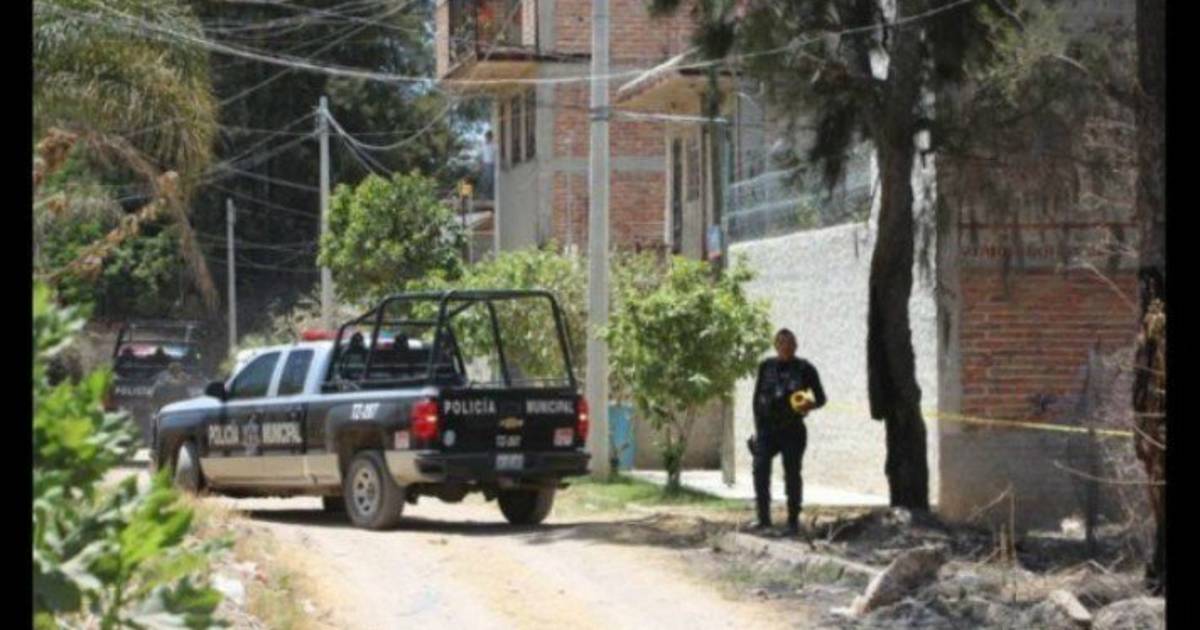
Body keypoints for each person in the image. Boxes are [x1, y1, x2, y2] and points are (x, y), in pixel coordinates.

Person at [750, 328, 826, 535]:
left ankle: (792, 520)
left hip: (792, 429)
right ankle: (763, 519)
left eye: (790, 343)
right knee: (760, 469)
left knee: (792, 473)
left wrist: (807, 404)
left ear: (796, 346)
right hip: (767, 429)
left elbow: (821, 398)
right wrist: (758, 430)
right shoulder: (766, 366)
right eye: (782, 343)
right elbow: (757, 400)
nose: (786, 347)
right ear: (776, 346)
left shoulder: (805, 368)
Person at [479, 130, 497, 199]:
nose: (487, 138)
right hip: (484, 164)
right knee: (484, 180)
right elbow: (482, 155)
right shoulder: (483, 145)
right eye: (486, 137)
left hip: (491, 164)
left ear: (491, 137)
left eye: (489, 137)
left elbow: (496, 155)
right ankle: (484, 196)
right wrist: (480, 165)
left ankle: (491, 196)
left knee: (491, 180)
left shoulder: (494, 145)